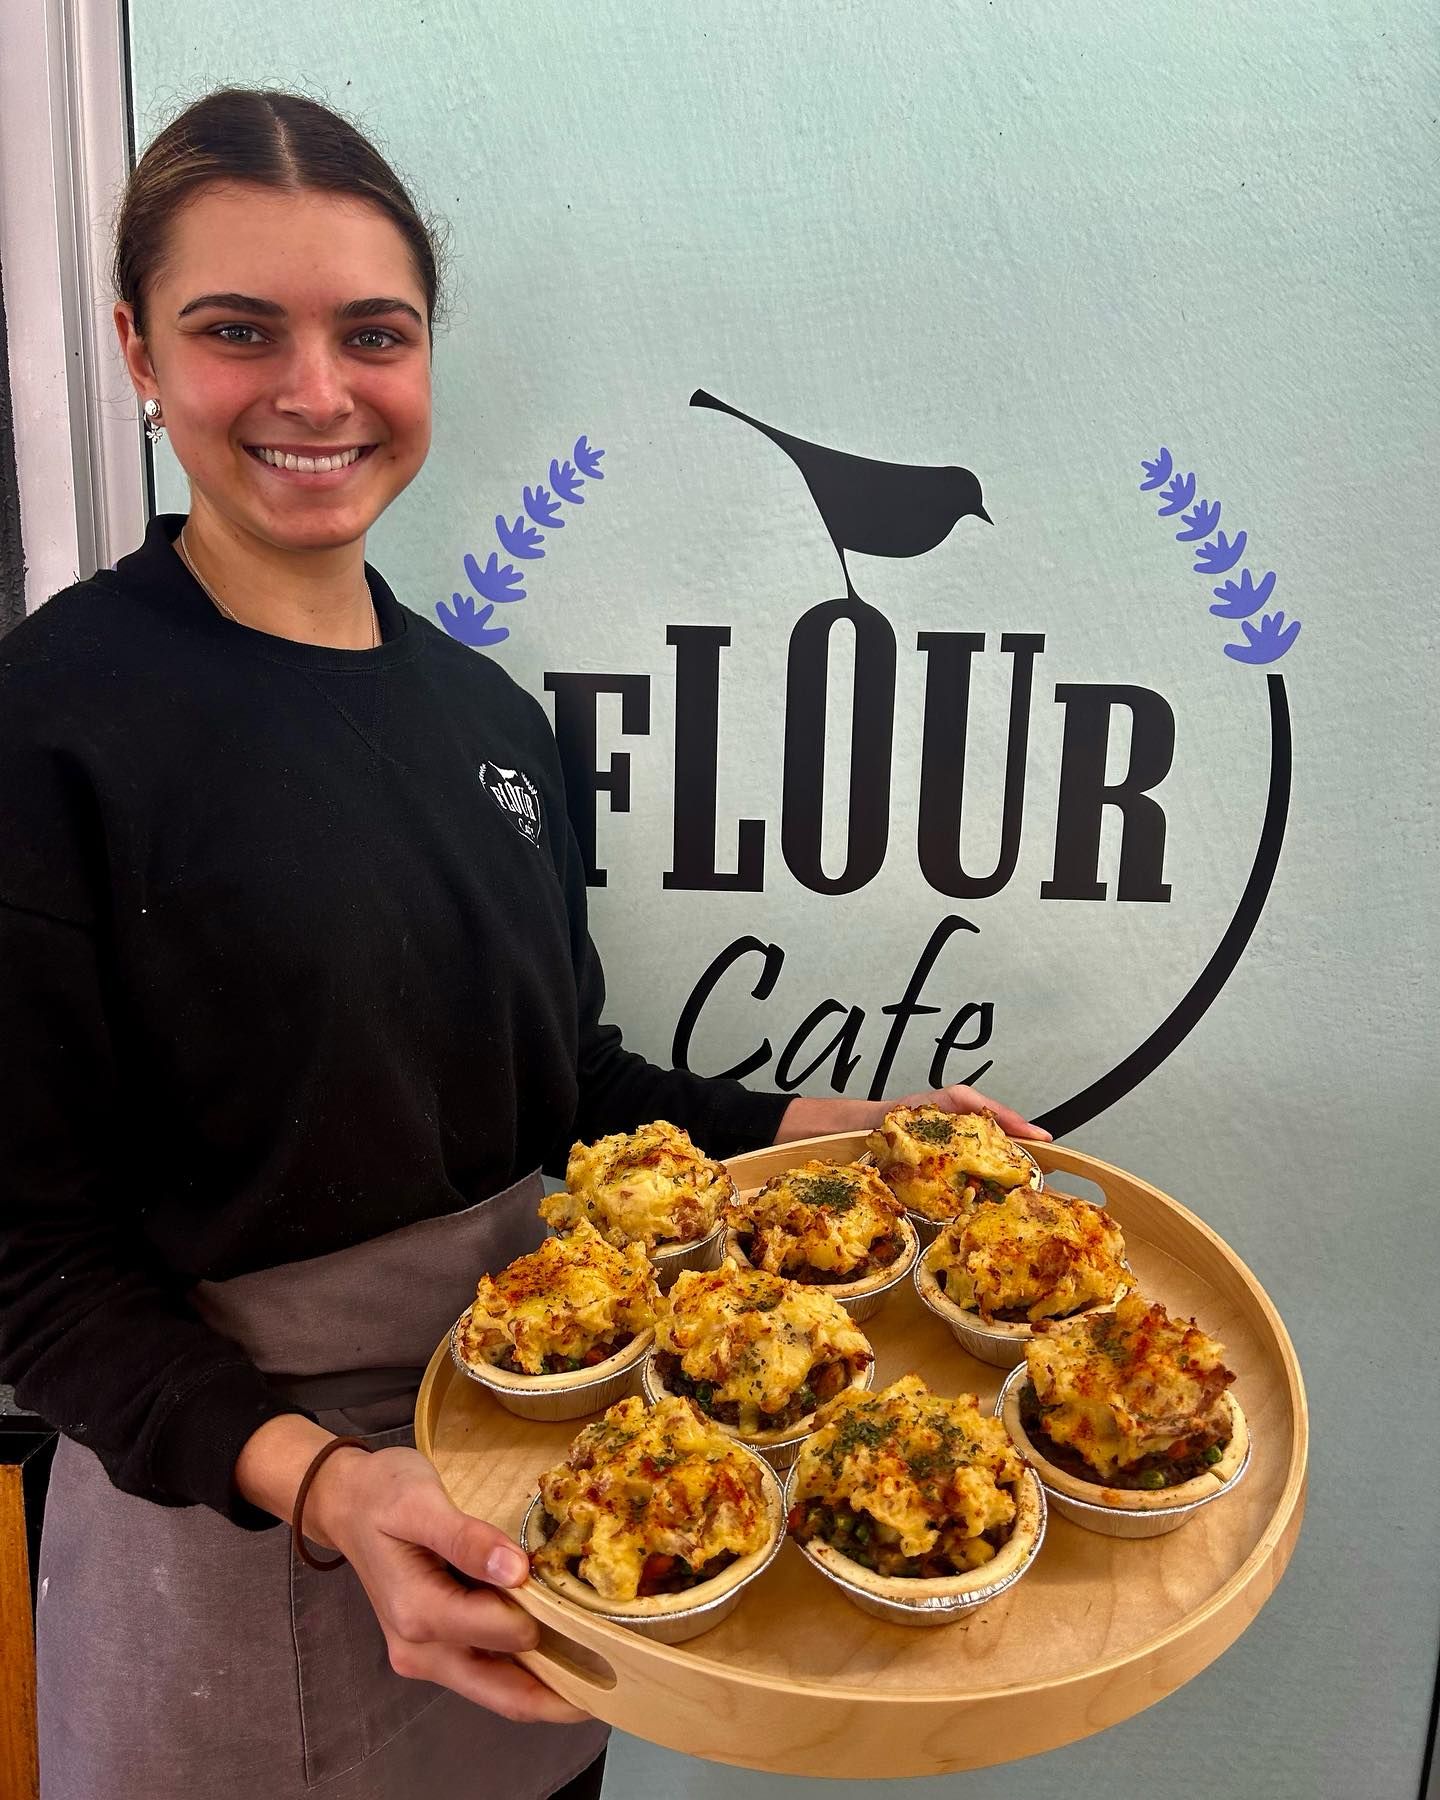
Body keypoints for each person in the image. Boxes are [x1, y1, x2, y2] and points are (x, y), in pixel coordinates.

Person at [0, 89, 1049, 1800]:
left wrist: (833, 1136)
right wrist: (329, 1486)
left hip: (542, 1487)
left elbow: (564, 1088)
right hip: (240, 1520)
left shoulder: (483, 716)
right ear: (135, 350)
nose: (315, 391)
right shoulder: (54, 727)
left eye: (374, 333)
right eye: (236, 331)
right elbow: (30, 1261)